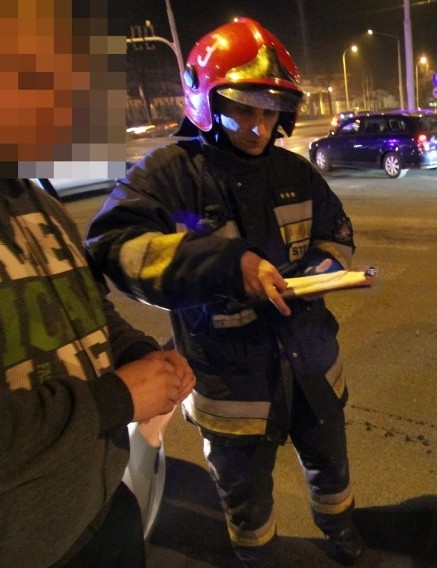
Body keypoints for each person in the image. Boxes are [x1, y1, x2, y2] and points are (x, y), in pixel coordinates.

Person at [84, 18, 363, 567]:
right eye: (243, 109)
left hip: (312, 366)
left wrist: (324, 269)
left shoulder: (297, 172)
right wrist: (224, 265)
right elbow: (112, 244)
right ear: (206, 102)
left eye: (270, 111)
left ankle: (342, 529)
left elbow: (338, 231)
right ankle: (257, 558)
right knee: (245, 494)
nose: (259, 127)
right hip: (231, 383)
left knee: (331, 463)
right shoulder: (168, 174)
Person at [0, 178, 195, 567]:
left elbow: (90, 307)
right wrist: (116, 398)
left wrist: (142, 356)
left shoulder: (35, 195)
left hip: (104, 503)